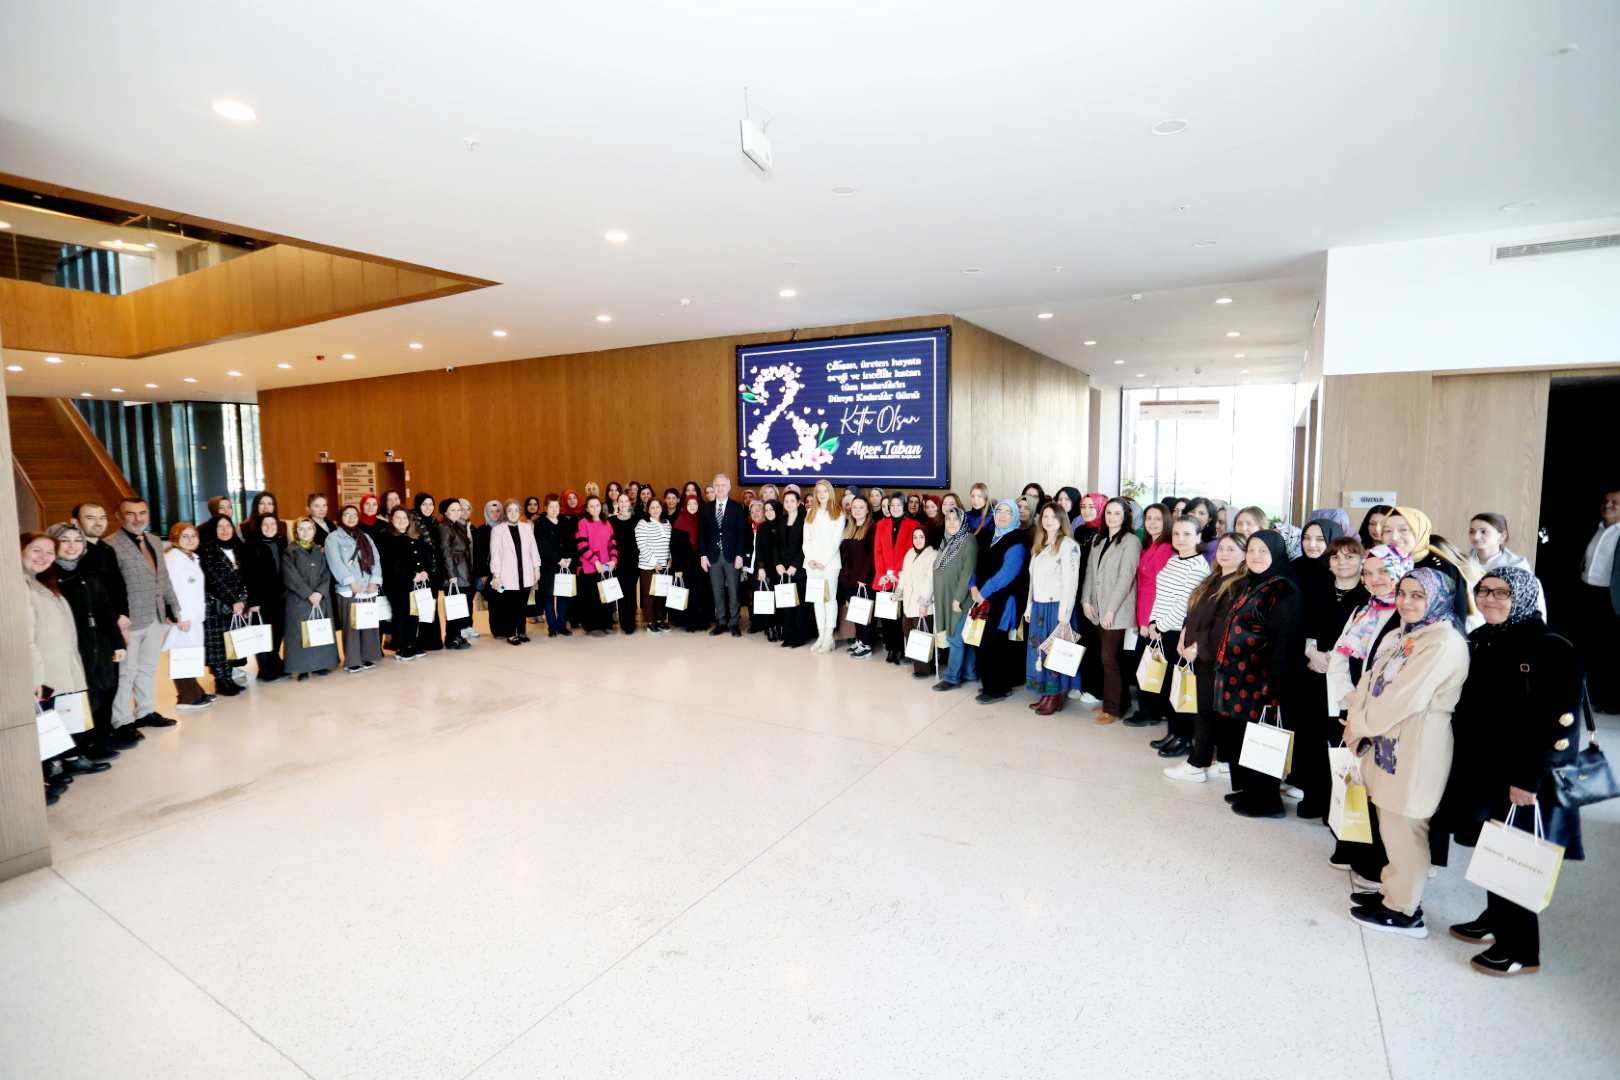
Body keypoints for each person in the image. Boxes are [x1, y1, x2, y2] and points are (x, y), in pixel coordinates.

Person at [1438, 567, 1586, 976]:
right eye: (1483, 590)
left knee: (1516, 857)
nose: (1488, 599)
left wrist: (1529, 778)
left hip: (1522, 776)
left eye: (1501, 592)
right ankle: (1494, 920)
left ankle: (1521, 949)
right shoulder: (1486, 638)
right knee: (1495, 849)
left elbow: (1560, 723)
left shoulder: (1549, 647)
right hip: (1487, 768)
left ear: (1521, 597)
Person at [1344, 568, 1470, 937]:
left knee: (1406, 827)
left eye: (1418, 595)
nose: (1407, 602)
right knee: (1391, 823)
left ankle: (1404, 911)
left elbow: (1405, 699)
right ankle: (1392, 892)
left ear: (1438, 599)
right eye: (1404, 593)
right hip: (1388, 740)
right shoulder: (1411, 633)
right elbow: (1371, 679)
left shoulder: (1443, 642)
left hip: (1417, 745)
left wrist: (1359, 725)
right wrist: (1357, 721)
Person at [1323, 543, 1413, 879]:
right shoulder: (1365, 611)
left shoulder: (1410, 617)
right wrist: (1350, 701)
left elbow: (1398, 678)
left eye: (1384, 572)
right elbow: (1339, 659)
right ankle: (1351, 846)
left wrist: (1363, 712)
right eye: (1369, 573)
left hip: (1383, 719)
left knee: (1380, 790)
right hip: (1353, 711)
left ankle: (1377, 866)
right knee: (1353, 782)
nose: (1375, 580)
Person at [1215, 531, 1304, 818]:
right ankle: (1249, 790)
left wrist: (1272, 686)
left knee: (1261, 740)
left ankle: (1267, 802)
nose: (1255, 556)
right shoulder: (1255, 582)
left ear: (1276, 554)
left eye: (1262, 551)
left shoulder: (1282, 590)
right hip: (1240, 679)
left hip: (1262, 680)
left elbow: (1285, 645)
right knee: (1242, 738)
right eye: (1251, 550)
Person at [23, 532, 112, 803]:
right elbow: (26, 637)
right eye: (36, 550)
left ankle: (66, 759)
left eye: (49, 552)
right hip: (43, 673)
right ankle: (49, 771)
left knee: (62, 716)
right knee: (45, 720)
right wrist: (36, 679)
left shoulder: (40, 582)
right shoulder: (19, 587)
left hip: (61, 665)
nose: (44, 557)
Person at [1289, 523, 1363, 817]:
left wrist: (1337, 660)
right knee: (1311, 736)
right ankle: (1314, 797)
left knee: (1340, 737)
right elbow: (1300, 624)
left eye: (1349, 557)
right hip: (1314, 670)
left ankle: (1340, 804)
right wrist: (1311, 653)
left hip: (1347, 679)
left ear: (1361, 560)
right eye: (1335, 557)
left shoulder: (1368, 595)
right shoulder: (1315, 585)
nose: (1342, 562)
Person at [1163, 532, 1248, 783]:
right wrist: (1183, 636)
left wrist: (1198, 647)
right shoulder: (1214, 577)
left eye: (1231, 549)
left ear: (1244, 554)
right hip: (1198, 649)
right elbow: (1195, 611)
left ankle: (1197, 764)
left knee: (1205, 712)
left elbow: (1222, 625)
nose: (1224, 553)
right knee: (1210, 709)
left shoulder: (1239, 584)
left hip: (1215, 656)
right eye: (1221, 548)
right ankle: (1221, 760)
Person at [43, 523, 126, 762]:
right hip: (69, 649)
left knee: (99, 693)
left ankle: (92, 742)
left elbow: (105, 610)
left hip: (96, 645)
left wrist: (117, 642)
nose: (72, 546)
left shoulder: (88, 571)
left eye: (77, 540)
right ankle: (70, 754)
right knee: (75, 698)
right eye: (65, 540)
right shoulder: (48, 577)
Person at [104, 497, 180, 744]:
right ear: (118, 515)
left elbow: (163, 578)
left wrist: (173, 606)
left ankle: (145, 711)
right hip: (128, 621)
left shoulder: (155, 541)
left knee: (148, 669)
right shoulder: (110, 546)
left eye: (142, 512)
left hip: (155, 616)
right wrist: (117, 619)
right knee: (126, 674)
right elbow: (109, 588)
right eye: (130, 513)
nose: (137, 518)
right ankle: (123, 720)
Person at [1146, 516, 1212, 756]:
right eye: (1176, 534)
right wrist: (1153, 621)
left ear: (1198, 537)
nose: (1180, 539)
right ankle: (1174, 732)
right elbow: (1161, 594)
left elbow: (1185, 603)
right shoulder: (1174, 560)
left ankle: (1184, 737)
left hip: (1179, 633)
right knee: (1169, 688)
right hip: (1163, 630)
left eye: (1186, 534)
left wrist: (1161, 625)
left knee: (1182, 686)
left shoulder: (1198, 566)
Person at [1081, 498, 1143, 724]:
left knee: (1110, 659)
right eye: (1108, 512)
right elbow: (1090, 571)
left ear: (1125, 516)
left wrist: (1110, 611)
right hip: (1097, 608)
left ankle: (1113, 709)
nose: (1112, 517)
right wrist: (1086, 601)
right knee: (1107, 658)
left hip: (1115, 611)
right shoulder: (1099, 538)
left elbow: (1126, 579)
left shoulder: (1130, 541)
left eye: (1117, 513)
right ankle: (1118, 701)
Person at [968, 499, 1029, 704]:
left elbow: (1007, 574)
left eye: (1007, 512)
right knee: (984, 643)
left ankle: (999, 689)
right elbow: (977, 566)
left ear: (1014, 517)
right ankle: (990, 685)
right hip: (983, 598)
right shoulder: (988, 536)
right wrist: (973, 586)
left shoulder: (1017, 541)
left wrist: (983, 592)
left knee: (995, 643)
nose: (1002, 516)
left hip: (1004, 601)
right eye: (999, 511)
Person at [1023, 502, 1082, 713]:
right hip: (1039, 607)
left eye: (1053, 517)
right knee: (1040, 651)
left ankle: (1054, 696)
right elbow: (1032, 581)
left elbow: (1070, 583)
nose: (1048, 520)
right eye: (1045, 516)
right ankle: (1046, 694)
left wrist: (1064, 616)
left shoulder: (1068, 545)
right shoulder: (1039, 544)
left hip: (1057, 607)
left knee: (1055, 652)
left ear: (1062, 520)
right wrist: (1029, 607)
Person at [1128, 503, 1174, 727]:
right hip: (1145, 613)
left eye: (1158, 518)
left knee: (1146, 666)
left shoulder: (1165, 547)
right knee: (1148, 665)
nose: (1152, 522)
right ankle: (1152, 711)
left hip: (1153, 617)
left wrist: (1149, 621)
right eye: (1148, 518)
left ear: (1166, 522)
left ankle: (1149, 712)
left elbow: (1159, 588)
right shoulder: (1150, 545)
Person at [1575, 489, 1620, 712]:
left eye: (1615, 502)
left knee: (1611, 651)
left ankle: (1610, 701)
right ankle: (1587, 696)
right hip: (1588, 593)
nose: (1608, 505)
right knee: (1587, 646)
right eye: (1606, 501)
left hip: (1613, 598)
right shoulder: (1595, 527)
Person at [161, 522, 212, 711]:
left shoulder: (191, 557)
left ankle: (195, 691)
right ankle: (187, 698)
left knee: (191, 654)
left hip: (194, 615)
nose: (190, 540)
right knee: (182, 655)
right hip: (183, 617)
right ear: (175, 538)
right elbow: (173, 591)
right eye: (185, 536)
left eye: (193, 536)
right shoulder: (172, 559)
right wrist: (180, 616)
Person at [326, 504, 383, 672]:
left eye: (354, 515)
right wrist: (350, 581)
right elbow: (335, 562)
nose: (351, 518)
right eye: (346, 515)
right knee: (352, 625)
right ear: (340, 518)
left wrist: (374, 581)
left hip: (368, 588)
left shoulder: (365, 537)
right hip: (349, 589)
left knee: (367, 623)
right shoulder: (333, 538)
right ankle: (352, 661)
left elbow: (376, 559)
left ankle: (366, 656)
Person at [198, 515, 249, 696]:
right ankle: (221, 681)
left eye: (228, 526)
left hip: (236, 607)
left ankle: (229, 678)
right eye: (220, 527)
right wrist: (234, 601)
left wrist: (243, 600)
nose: (225, 530)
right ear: (213, 530)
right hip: (216, 607)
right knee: (218, 646)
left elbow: (245, 578)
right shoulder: (206, 550)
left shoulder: (238, 548)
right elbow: (214, 580)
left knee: (231, 644)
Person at [282, 517, 339, 679]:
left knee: (320, 631)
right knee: (299, 635)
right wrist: (308, 594)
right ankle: (301, 668)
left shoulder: (318, 550)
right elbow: (291, 577)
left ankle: (321, 665)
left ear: (314, 531)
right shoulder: (290, 551)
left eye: (309, 528)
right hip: (299, 600)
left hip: (320, 598)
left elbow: (326, 574)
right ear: (295, 532)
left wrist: (320, 592)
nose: (306, 532)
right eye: (301, 529)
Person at [931, 505, 979, 690]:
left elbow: (969, 571)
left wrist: (958, 598)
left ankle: (951, 678)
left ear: (963, 522)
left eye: (956, 519)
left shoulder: (968, 541)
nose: (951, 523)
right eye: (948, 519)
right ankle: (968, 672)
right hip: (947, 597)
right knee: (961, 637)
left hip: (961, 599)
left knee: (955, 638)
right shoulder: (946, 541)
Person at [70, 503, 129, 647]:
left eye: (102, 518)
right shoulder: (72, 553)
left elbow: (118, 585)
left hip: (113, 622)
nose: (98, 523)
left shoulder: (107, 549)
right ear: (75, 522)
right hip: (88, 625)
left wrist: (122, 615)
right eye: (90, 518)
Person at [872, 493, 921, 664]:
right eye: (892, 505)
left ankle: (900, 648)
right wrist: (882, 574)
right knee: (886, 616)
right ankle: (890, 648)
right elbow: (877, 551)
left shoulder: (913, 525)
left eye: (898, 505)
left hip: (903, 577)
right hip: (885, 578)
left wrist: (896, 574)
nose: (895, 508)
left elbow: (911, 551)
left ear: (904, 506)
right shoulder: (881, 524)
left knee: (901, 616)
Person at [700, 473, 749, 636]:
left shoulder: (737, 507)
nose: (720, 488)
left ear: (728, 487)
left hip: (732, 556)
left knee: (734, 591)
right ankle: (721, 622)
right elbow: (703, 533)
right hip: (713, 556)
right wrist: (703, 555)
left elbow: (742, 533)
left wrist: (740, 555)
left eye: (723, 485)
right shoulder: (707, 508)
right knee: (717, 590)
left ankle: (734, 622)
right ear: (713, 488)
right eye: (717, 485)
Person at [242, 512, 289, 681]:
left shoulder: (281, 543)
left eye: (272, 524)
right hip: (261, 600)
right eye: (265, 524)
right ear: (259, 527)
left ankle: (275, 663)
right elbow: (248, 575)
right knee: (262, 633)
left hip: (280, 598)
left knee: (277, 633)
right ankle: (265, 669)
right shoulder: (251, 545)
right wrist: (253, 601)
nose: (269, 527)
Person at [488, 499, 541, 645]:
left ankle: (522, 632)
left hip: (526, 573)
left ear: (520, 512)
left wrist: (537, 568)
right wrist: (496, 575)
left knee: (522, 605)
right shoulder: (498, 530)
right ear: (505, 512)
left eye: (516, 510)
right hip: (507, 575)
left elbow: (533, 550)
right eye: (509, 510)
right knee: (510, 606)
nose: (513, 513)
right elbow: (495, 555)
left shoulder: (526, 528)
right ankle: (511, 633)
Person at [802, 479, 845, 652]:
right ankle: (821, 635)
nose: (821, 494)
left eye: (824, 491)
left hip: (830, 564)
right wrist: (811, 559)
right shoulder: (810, 513)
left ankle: (829, 637)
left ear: (830, 493)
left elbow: (835, 542)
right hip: (811, 565)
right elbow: (806, 540)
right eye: (818, 491)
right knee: (817, 600)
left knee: (829, 599)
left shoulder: (838, 513)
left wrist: (822, 561)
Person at [574, 494, 619, 637]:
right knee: (591, 598)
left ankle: (605, 623)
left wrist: (613, 560)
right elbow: (582, 545)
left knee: (604, 596)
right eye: (591, 506)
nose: (595, 508)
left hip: (606, 566)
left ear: (601, 507)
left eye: (597, 505)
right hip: (590, 567)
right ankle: (592, 626)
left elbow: (612, 543)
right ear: (587, 509)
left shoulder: (607, 523)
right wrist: (595, 562)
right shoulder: (583, 523)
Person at [898, 523, 938, 679]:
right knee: (907, 629)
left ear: (927, 538)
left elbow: (930, 580)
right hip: (908, 600)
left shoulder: (932, 554)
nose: (918, 540)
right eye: (915, 537)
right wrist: (898, 592)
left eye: (921, 537)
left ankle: (923, 669)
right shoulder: (909, 553)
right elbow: (903, 574)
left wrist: (923, 602)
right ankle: (918, 661)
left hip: (924, 602)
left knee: (922, 634)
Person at [838, 497, 877, 657]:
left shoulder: (871, 529)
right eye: (854, 507)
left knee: (865, 613)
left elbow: (871, 556)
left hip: (864, 580)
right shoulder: (850, 527)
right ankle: (860, 641)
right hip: (848, 579)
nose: (857, 510)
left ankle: (866, 645)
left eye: (861, 507)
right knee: (856, 612)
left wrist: (863, 577)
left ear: (867, 510)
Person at [533, 495, 575, 637]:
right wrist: (558, 560)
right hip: (548, 566)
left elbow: (570, 541)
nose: (554, 509)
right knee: (548, 597)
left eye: (556, 506)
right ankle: (552, 627)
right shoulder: (540, 523)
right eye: (551, 507)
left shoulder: (564, 522)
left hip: (565, 565)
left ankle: (562, 626)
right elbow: (542, 546)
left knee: (563, 597)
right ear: (545, 508)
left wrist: (569, 557)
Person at [437, 498, 474, 649]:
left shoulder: (456, 525)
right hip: (454, 574)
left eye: (459, 509)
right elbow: (445, 552)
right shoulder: (444, 527)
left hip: (461, 571)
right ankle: (452, 638)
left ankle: (457, 636)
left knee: (459, 607)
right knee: (453, 607)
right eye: (453, 510)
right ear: (445, 512)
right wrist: (451, 575)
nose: (457, 512)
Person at [774, 489, 809, 648]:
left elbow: (806, 546)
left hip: (799, 569)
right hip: (783, 569)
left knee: (799, 604)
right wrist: (778, 564)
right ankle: (787, 636)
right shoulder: (781, 520)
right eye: (786, 501)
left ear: (798, 502)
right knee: (785, 602)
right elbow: (776, 546)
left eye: (792, 501)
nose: (789, 504)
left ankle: (799, 636)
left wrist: (795, 565)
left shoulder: (805, 520)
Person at [636, 496, 673, 632]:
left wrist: (670, 559)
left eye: (658, 507)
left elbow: (670, 543)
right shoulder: (642, 523)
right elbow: (642, 545)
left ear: (661, 508)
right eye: (652, 507)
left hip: (664, 565)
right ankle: (650, 622)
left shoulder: (666, 522)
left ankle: (659, 619)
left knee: (661, 594)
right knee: (650, 595)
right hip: (648, 566)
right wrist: (654, 562)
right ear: (648, 509)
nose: (655, 509)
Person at [670, 494, 706, 632]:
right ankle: (689, 622)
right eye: (689, 504)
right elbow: (674, 547)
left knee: (699, 593)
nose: (692, 506)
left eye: (695, 504)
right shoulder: (679, 522)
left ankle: (699, 621)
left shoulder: (701, 520)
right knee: (689, 593)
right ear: (685, 505)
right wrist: (678, 567)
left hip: (700, 562)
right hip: (685, 564)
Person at [610, 493, 641, 633]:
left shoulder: (637, 520)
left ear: (630, 504)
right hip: (618, 562)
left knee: (631, 592)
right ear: (617, 504)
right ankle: (624, 623)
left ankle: (631, 622)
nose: (623, 504)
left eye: (626, 501)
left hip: (634, 562)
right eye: (620, 501)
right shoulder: (611, 521)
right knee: (621, 593)